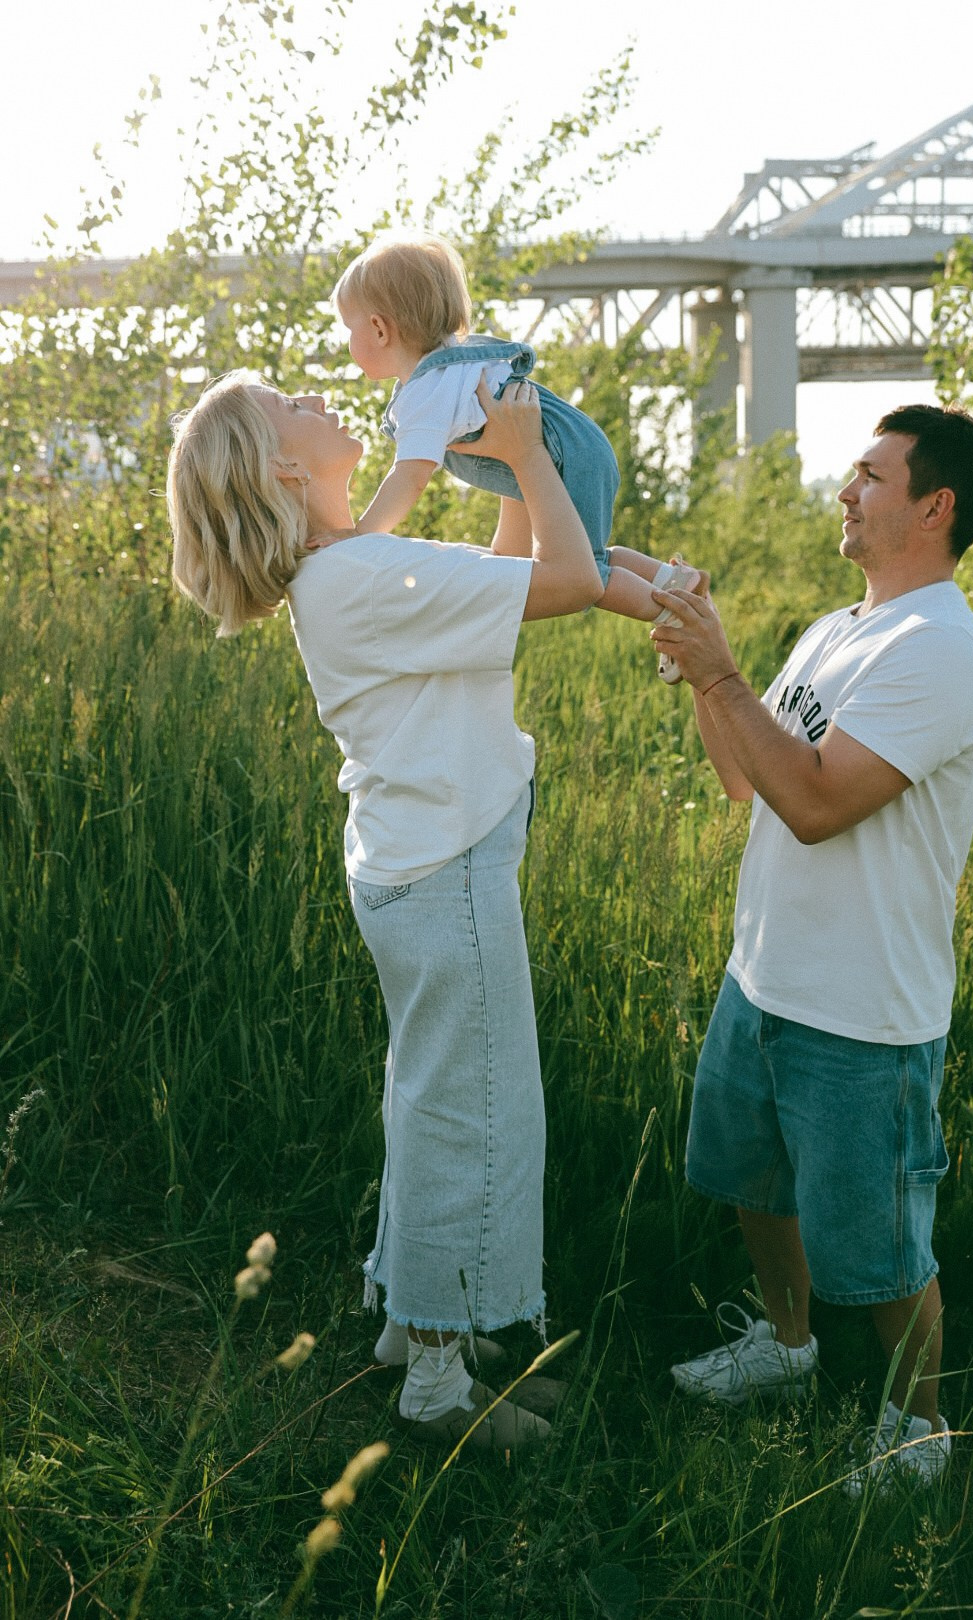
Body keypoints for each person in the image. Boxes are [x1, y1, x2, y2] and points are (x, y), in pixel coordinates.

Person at [168, 368, 602, 1452]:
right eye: (293, 405)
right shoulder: (358, 574)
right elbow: (574, 579)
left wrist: (504, 466)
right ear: (281, 465)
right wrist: (536, 459)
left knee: (432, 1102)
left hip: (424, 863)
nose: (321, 396)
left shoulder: (353, 569)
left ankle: (419, 1331)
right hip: (444, 870)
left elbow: (508, 576)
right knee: (474, 1113)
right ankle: (439, 1389)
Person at [651, 403, 973, 1494]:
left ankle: (914, 1440)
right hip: (766, 974)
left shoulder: (941, 647)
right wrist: (698, 663)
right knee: (754, 1181)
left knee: (886, 1252)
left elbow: (814, 807)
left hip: (863, 1012)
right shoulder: (834, 629)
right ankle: (788, 1351)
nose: (844, 491)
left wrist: (721, 676)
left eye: (870, 476)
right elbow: (747, 779)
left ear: (933, 507)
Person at [331, 229, 698, 677]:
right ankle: (674, 581)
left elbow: (410, 476)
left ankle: (676, 616)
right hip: (574, 445)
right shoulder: (453, 364)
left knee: (589, 577)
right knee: (585, 551)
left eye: (348, 329)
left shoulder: (426, 393)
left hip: (562, 457)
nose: (346, 343)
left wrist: (361, 536)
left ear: (379, 328)